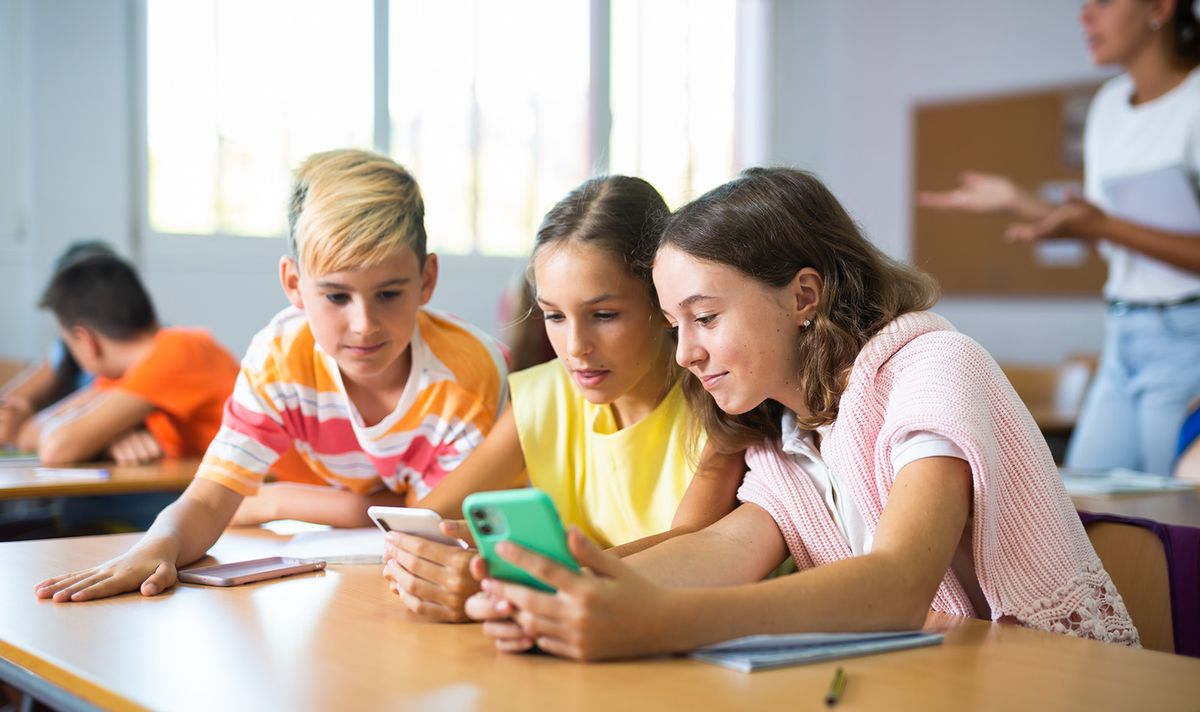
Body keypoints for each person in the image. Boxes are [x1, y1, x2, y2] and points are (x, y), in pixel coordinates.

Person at [465, 168, 1139, 661]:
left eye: (704, 318)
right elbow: (722, 549)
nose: (686, 354)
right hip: (937, 679)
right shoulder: (784, 430)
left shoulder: (932, 367)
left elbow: (899, 583)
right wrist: (552, 594)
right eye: (675, 325)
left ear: (803, 295)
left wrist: (664, 622)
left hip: (1048, 680)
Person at [33, 148, 508, 601]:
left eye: (388, 294)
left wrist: (272, 504)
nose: (364, 324)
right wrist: (158, 545)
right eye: (337, 297)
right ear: (293, 285)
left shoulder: (465, 374)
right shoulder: (281, 357)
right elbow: (209, 499)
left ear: (426, 280)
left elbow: (428, 533)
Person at [382, 176, 744, 622]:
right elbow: (426, 520)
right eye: (554, 315)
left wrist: (507, 577)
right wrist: (440, 556)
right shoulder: (545, 397)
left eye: (604, 315)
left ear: (661, 304)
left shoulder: (719, 402)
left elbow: (688, 544)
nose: (575, 347)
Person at [919, 0, 1200, 476]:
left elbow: (1107, 226)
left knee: (1172, 511)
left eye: (1104, 2)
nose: (1085, 16)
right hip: (1123, 329)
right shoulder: (1109, 105)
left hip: (1186, 333)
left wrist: (1103, 227)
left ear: (1160, 7)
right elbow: (1104, 228)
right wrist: (1017, 200)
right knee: (1083, 497)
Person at [18, 253, 239, 467]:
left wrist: (95, 437)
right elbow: (28, 433)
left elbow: (56, 449)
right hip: (220, 489)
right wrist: (107, 435)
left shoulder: (177, 352)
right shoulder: (127, 372)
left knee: (83, 504)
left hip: (262, 493)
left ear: (85, 341)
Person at [0, 240, 116, 449]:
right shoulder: (63, 351)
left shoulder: (134, 360)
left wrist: (29, 425)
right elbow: (12, 402)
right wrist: (16, 416)